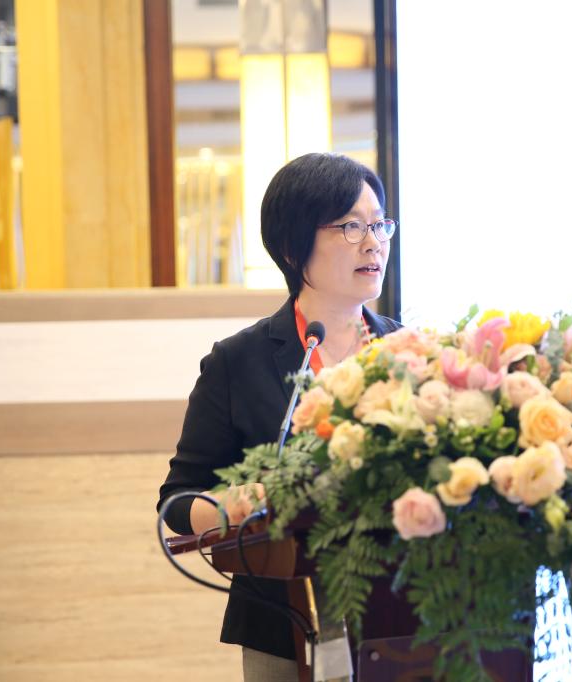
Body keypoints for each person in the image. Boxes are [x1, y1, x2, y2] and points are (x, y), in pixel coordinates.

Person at [157, 153, 401, 680]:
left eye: (379, 223)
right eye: (350, 226)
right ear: (293, 246)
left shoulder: (412, 354)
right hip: (282, 621)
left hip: (404, 615)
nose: (374, 242)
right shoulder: (237, 362)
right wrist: (241, 504)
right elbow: (178, 502)